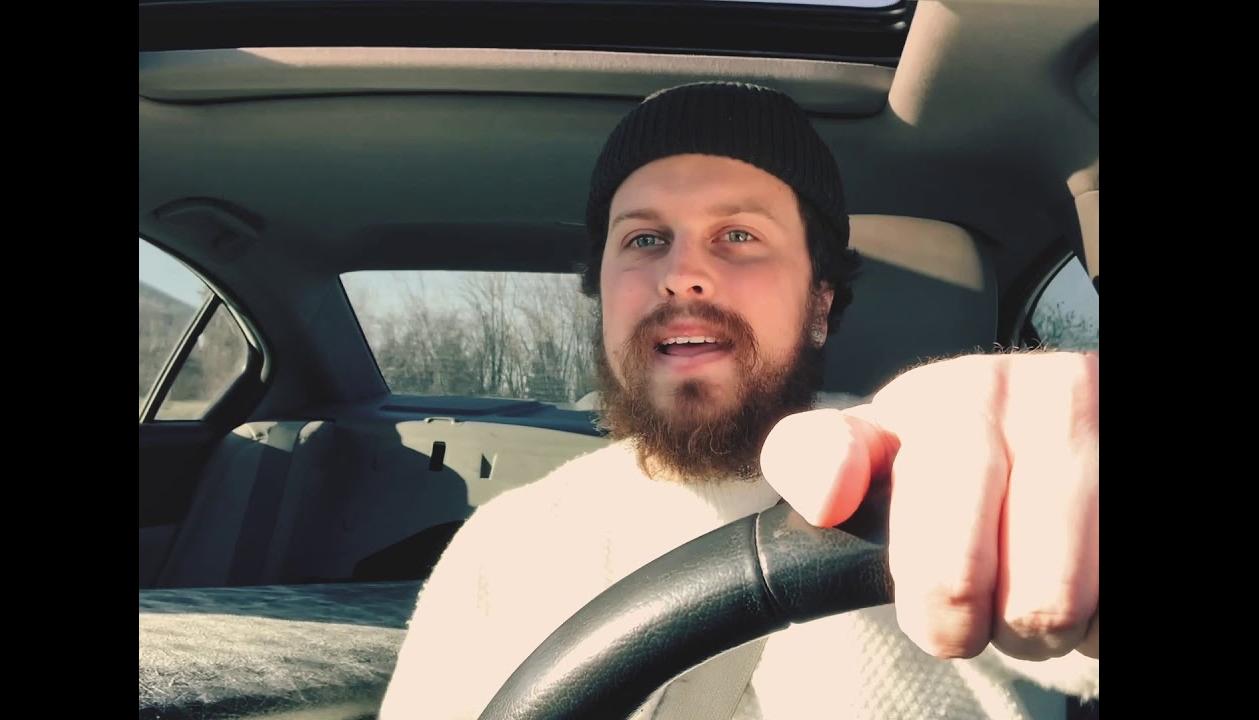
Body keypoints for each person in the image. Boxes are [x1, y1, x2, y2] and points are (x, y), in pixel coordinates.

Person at [378, 81, 1098, 720]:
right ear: (602, 298)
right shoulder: (503, 549)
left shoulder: (932, 479)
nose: (682, 273)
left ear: (820, 304)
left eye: (739, 234)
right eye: (645, 238)